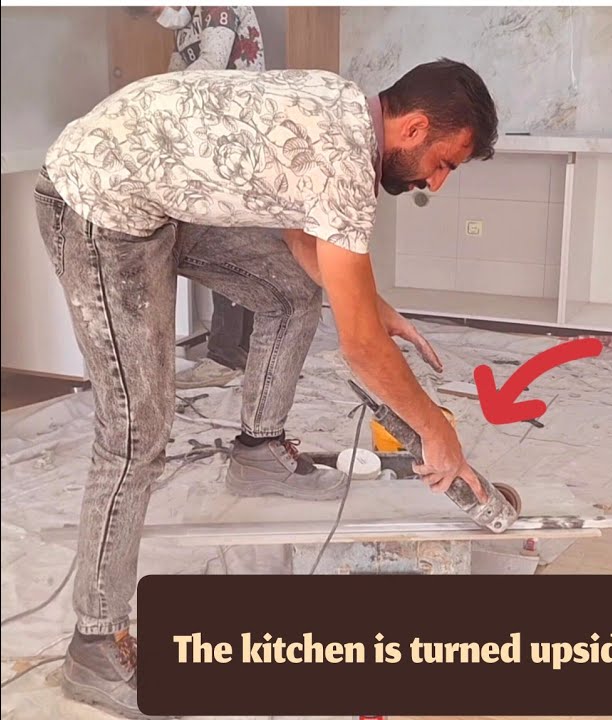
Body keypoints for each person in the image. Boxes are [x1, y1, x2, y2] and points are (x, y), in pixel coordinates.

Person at [36, 59, 499, 718]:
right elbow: (364, 353)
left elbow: (299, 231)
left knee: (288, 291)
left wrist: (369, 302)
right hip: (96, 202)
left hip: (159, 194)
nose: (438, 182)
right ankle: (93, 643)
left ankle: (257, 453)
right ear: (414, 127)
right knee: (135, 431)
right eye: (444, 162)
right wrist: (437, 429)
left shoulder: (345, 108)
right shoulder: (345, 160)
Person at [127, 5, 268, 389]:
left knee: (226, 247)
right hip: (217, 137)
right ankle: (241, 351)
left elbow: (210, 65)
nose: (156, 11)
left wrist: (148, 98)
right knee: (237, 245)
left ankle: (226, 355)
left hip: (233, 137)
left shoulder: (217, 6)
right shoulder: (189, 22)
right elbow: (179, 69)